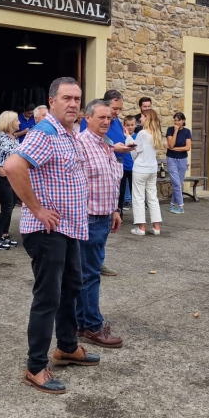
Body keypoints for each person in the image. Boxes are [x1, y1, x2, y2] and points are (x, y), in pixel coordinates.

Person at [4, 77, 99, 395]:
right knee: (47, 298)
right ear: (52, 101)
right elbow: (13, 165)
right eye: (67, 98)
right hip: (48, 231)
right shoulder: (45, 131)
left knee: (71, 288)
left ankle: (68, 347)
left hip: (69, 228)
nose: (73, 104)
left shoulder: (69, 133)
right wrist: (37, 208)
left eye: (77, 98)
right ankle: (34, 368)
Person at [76, 99, 124, 348]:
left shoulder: (107, 145)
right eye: (102, 117)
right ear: (88, 118)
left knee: (86, 273)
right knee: (90, 275)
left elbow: (112, 181)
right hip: (88, 218)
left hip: (104, 216)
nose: (107, 122)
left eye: (110, 118)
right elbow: (76, 185)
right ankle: (93, 327)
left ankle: (82, 322)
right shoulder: (81, 144)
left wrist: (115, 210)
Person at [0, 111, 20, 250]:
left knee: (11, 206)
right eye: (17, 120)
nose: (19, 122)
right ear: (9, 122)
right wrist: (3, 172)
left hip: (13, 177)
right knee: (6, 206)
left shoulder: (14, 137)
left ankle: (4, 234)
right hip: (2, 177)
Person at [130, 108, 163, 235]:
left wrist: (128, 138)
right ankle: (156, 227)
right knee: (152, 197)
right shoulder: (156, 134)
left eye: (142, 117)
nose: (140, 119)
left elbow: (134, 150)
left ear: (147, 118)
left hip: (140, 169)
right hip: (152, 169)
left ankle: (141, 227)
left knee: (138, 197)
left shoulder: (142, 133)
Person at [165, 112, 192, 214]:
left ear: (183, 121)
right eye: (175, 120)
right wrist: (175, 132)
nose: (177, 122)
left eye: (179, 120)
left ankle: (172, 204)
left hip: (183, 160)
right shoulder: (170, 130)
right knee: (176, 183)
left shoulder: (187, 132)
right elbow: (171, 145)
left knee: (178, 183)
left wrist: (174, 148)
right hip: (171, 158)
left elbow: (187, 147)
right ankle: (181, 206)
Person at [122, 115, 137, 211]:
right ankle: (121, 211)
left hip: (134, 168)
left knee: (134, 190)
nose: (130, 127)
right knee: (121, 189)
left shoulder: (138, 137)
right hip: (123, 167)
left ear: (135, 125)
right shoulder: (121, 136)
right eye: (128, 125)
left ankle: (136, 212)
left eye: (132, 125)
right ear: (124, 126)